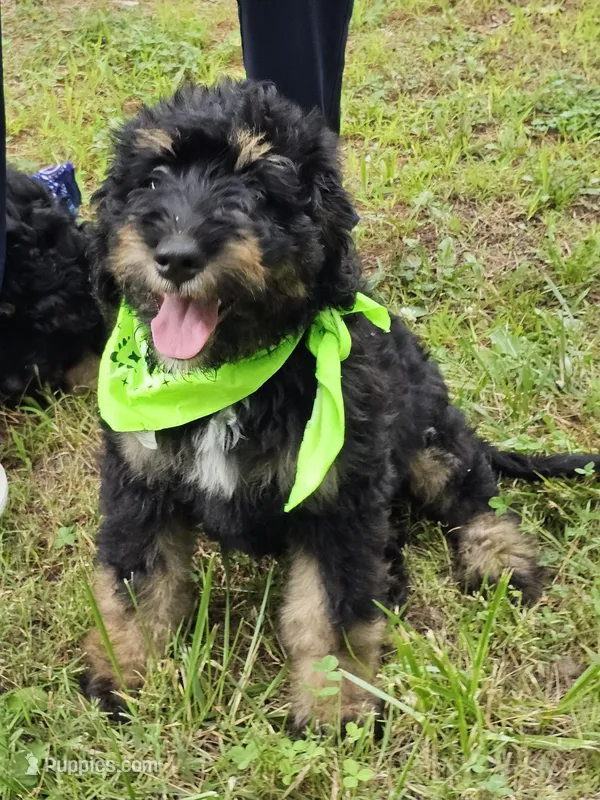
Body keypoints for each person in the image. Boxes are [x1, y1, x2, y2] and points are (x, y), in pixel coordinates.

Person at [0, 0, 355, 515]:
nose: (178, 243)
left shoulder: (345, 378)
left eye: (254, 187)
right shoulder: (129, 391)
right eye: (153, 181)